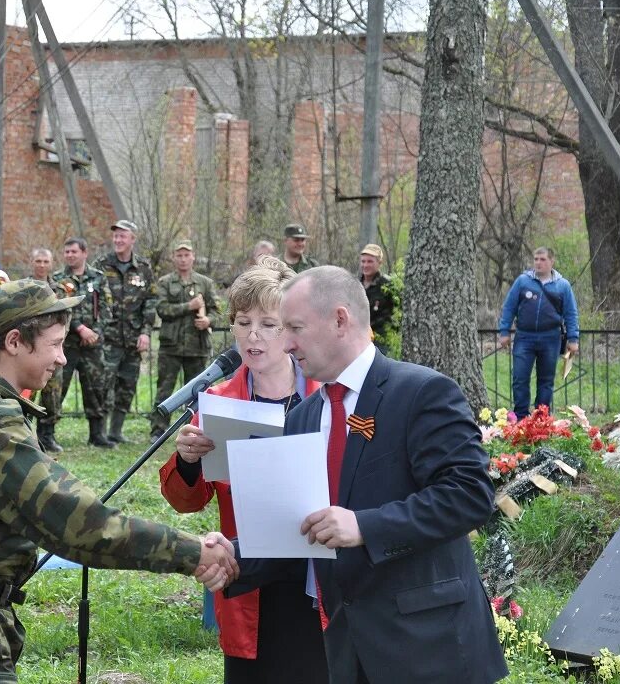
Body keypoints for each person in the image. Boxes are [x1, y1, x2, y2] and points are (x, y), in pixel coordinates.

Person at [0, 278, 239, 684]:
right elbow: (76, 522)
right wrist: (191, 551)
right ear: (15, 341)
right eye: (55, 344)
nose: (61, 357)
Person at [232, 266, 507, 684]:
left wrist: (364, 526)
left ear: (340, 320)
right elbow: (295, 528)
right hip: (345, 647)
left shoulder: (422, 393)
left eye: (295, 328)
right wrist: (228, 556)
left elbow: (470, 496)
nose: (285, 344)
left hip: (430, 647)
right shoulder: (303, 417)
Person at [160, 255, 323, 683]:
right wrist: (188, 462)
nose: (253, 336)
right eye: (242, 322)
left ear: (291, 329)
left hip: (319, 574)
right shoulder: (218, 399)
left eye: (268, 325)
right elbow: (185, 501)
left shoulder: (327, 393)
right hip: (249, 576)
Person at [498, 247, 580, 419]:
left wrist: (573, 338)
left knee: (546, 381)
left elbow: (571, 313)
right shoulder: (523, 281)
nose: (538, 263)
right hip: (524, 337)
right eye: (536, 259)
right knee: (520, 378)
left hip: (551, 338)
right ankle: (520, 418)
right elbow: (509, 307)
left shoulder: (562, 286)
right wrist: (504, 331)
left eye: (542, 259)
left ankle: (541, 418)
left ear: (552, 261)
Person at [150, 240, 220, 438]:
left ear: (193, 257)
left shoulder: (205, 283)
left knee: (198, 391)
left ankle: (195, 428)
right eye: (179, 255)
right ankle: (158, 430)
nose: (183, 259)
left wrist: (208, 320)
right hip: (170, 346)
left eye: (186, 255)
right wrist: (188, 306)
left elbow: (218, 310)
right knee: (164, 389)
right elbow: (162, 309)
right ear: (174, 257)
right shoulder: (165, 282)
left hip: (197, 347)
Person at [98, 219, 157, 444]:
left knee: (127, 385)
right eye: (115, 236)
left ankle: (116, 431)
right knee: (105, 383)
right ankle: (101, 432)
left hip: (133, 338)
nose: (118, 240)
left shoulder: (143, 268)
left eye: (123, 236)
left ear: (132, 239)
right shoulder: (102, 265)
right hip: (109, 337)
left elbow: (151, 301)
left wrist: (146, 332)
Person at [52, 237, 113, 447]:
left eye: (74, 251)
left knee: (96, 388)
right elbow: (59, 307)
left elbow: (107, 307)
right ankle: (47, 433)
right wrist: (80, 328)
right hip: (66, 344)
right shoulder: (58, 278)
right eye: (67, 252)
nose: (70, 255)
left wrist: (95, 332)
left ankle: (97, 434)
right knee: (57, 388)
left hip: (92, 345)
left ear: (84, 253)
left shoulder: (98, 278)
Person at [28, 248, 63, 453]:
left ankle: (47, 435)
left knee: (52, 394)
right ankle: (25, 434)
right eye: (38, 261)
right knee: (27, 394)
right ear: (31, 262)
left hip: (52, 348)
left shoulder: (59, 288)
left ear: (51, 264)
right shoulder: (24, 288)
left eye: (45, 261)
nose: (41, 265)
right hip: (30, 347)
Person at [358, 243, 398, 354]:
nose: (365, 265)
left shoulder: (388, 285)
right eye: (363, 261)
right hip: (358, 338)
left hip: (380, 340)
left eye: (370, 261)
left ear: (379, 263)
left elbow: (396, 315)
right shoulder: (355, 285)